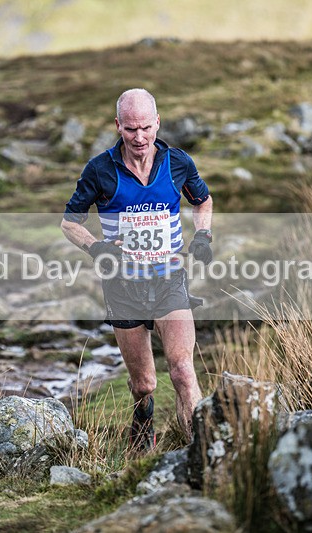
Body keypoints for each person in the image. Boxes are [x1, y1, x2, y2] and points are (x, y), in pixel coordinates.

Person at [61, 88, 214, 453]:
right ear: (118, 126)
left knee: (181, 371)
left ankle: (201, 456)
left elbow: (203, 200)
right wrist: (96, 246)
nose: (140, 137)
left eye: (146, 127)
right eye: (130, 129)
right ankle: (143, 420)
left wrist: (203, 234)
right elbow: (69, 223)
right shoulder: (99, 170)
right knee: (144, 383)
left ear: (157, 123)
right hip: (123, 288)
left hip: (169, 281)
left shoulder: (178, 163)